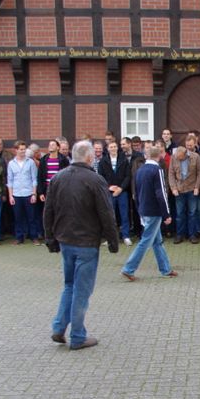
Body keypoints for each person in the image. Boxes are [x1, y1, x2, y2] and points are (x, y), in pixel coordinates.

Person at [44, 140, 119, 350]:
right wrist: (113, 240)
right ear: (89, 157)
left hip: (65, 240)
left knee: (69, 285)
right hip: (86, 242)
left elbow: (48, 211)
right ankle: (77, 335)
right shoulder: (95, 180)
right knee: (82, 290)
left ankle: (59, 327)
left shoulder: (58, 178)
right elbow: (106, 213)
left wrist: (50, 238)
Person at [121, 144, 178, 281]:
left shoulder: (140, 170)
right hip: (154, 211)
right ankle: (128, 268)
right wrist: (166, 213)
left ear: (147, 156)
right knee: (146, 241)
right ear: (159, 156)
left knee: (157, 241)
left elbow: (137, 192)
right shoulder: (157, 170)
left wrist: (139, 208)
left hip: (144, 209)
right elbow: (161, 193)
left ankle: (165, 269)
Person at [98, 140, 133, 246]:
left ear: (117, 148)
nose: (113, 148)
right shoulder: (103, 161)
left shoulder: (124, 160)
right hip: (109, 192)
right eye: (111, 147)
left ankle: (126, 236)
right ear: (107, 149)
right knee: (110, 215)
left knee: (124, 214)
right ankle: (110, 238)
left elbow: (128, 176)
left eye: (115, 147)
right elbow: (100, 177)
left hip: (122, 191)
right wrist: (109, 187)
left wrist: (121, 188)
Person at [6, 140, 40, 245]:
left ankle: (34, 237)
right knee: (18, 218)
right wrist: (10, 196)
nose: (23, 151)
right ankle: (19, 237)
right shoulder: (11, 164)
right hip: (16, 194)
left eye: (24, 149)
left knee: (31, 217)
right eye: (21, 149)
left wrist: (34, 194)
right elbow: (10, 181)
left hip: (28, 193)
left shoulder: (30, 162)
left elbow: (34, 179)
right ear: (16, 150)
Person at [167, 145, 200, 244]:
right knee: (179, 214)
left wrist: (197, 187)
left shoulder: (195, 157)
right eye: (177, 157)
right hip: (179, 190)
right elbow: (171, 174)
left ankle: (192, 235)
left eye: (180, 157)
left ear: (185, 154)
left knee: (192, 213)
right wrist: (173, 188)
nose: (178, 159)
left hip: (192, 189)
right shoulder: (174, 157)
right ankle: (179, 235)